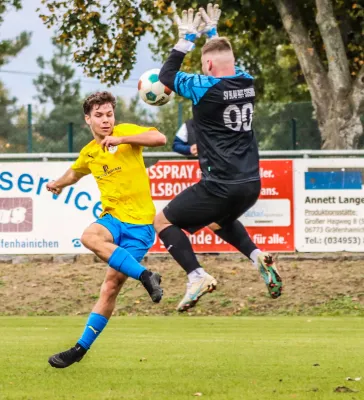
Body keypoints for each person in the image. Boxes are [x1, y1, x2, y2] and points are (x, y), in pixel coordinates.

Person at [154, 4, 283, 312]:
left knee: (162, 220)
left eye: (203, 64)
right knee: (215, 220)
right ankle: (257, 257)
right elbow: (227, 59)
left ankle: (196, 275)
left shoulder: (204, 87)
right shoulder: (247, 81)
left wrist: (185, 40)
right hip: (251, 184)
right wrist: (213, 33)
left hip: (220, 184)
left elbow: (167, 75)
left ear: (208, 65)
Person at [46, 91, 166, 368]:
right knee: (89, 236)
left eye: (109, 114)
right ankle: (147, 276)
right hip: (112, 219)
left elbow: (159, 138)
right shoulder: (90, 152)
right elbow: (75, 172)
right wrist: (58, 184)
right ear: (88, 119)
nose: (105, 120)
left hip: (140, 227)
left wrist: (121, 139)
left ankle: (80, 348)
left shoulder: (125, 134)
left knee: (111, 287)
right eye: (98, 115)